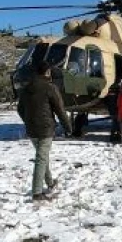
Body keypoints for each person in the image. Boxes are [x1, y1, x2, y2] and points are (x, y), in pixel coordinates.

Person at [16, 58, 73, 202]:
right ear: (47, 72)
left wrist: (27, 121)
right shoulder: (50, 87)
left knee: (42, 156)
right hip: (46, 128)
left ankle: (50, 182)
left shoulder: (26, 88)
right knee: (41, 158)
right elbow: (60, 109)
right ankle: (37, 192)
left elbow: (20, 109)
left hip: (31, 129)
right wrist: (68, 127)